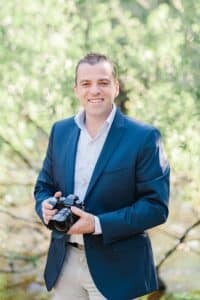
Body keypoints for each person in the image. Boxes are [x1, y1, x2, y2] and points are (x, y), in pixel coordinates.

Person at [34, 53, 170, 300]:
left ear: (115, 87)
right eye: (86, 83)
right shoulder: (60, 131)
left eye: (103, 82)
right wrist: (44, 206)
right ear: (76, 89)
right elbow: (43, 186)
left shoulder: (144, 137)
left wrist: (97, 224)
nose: (94, 90)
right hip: (64, 262)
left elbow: (156, 207)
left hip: (117, 267)